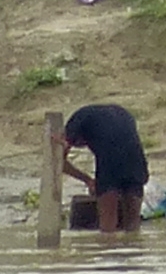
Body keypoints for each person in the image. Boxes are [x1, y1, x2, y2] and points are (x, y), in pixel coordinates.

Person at [57, 100, 148, 233]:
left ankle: (107, 249)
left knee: (108, 230)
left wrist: (87, 180)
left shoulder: (77, 120)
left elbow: (59, 162)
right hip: (136, 161)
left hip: (109, 163)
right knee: (133, 228)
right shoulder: (121, 113)